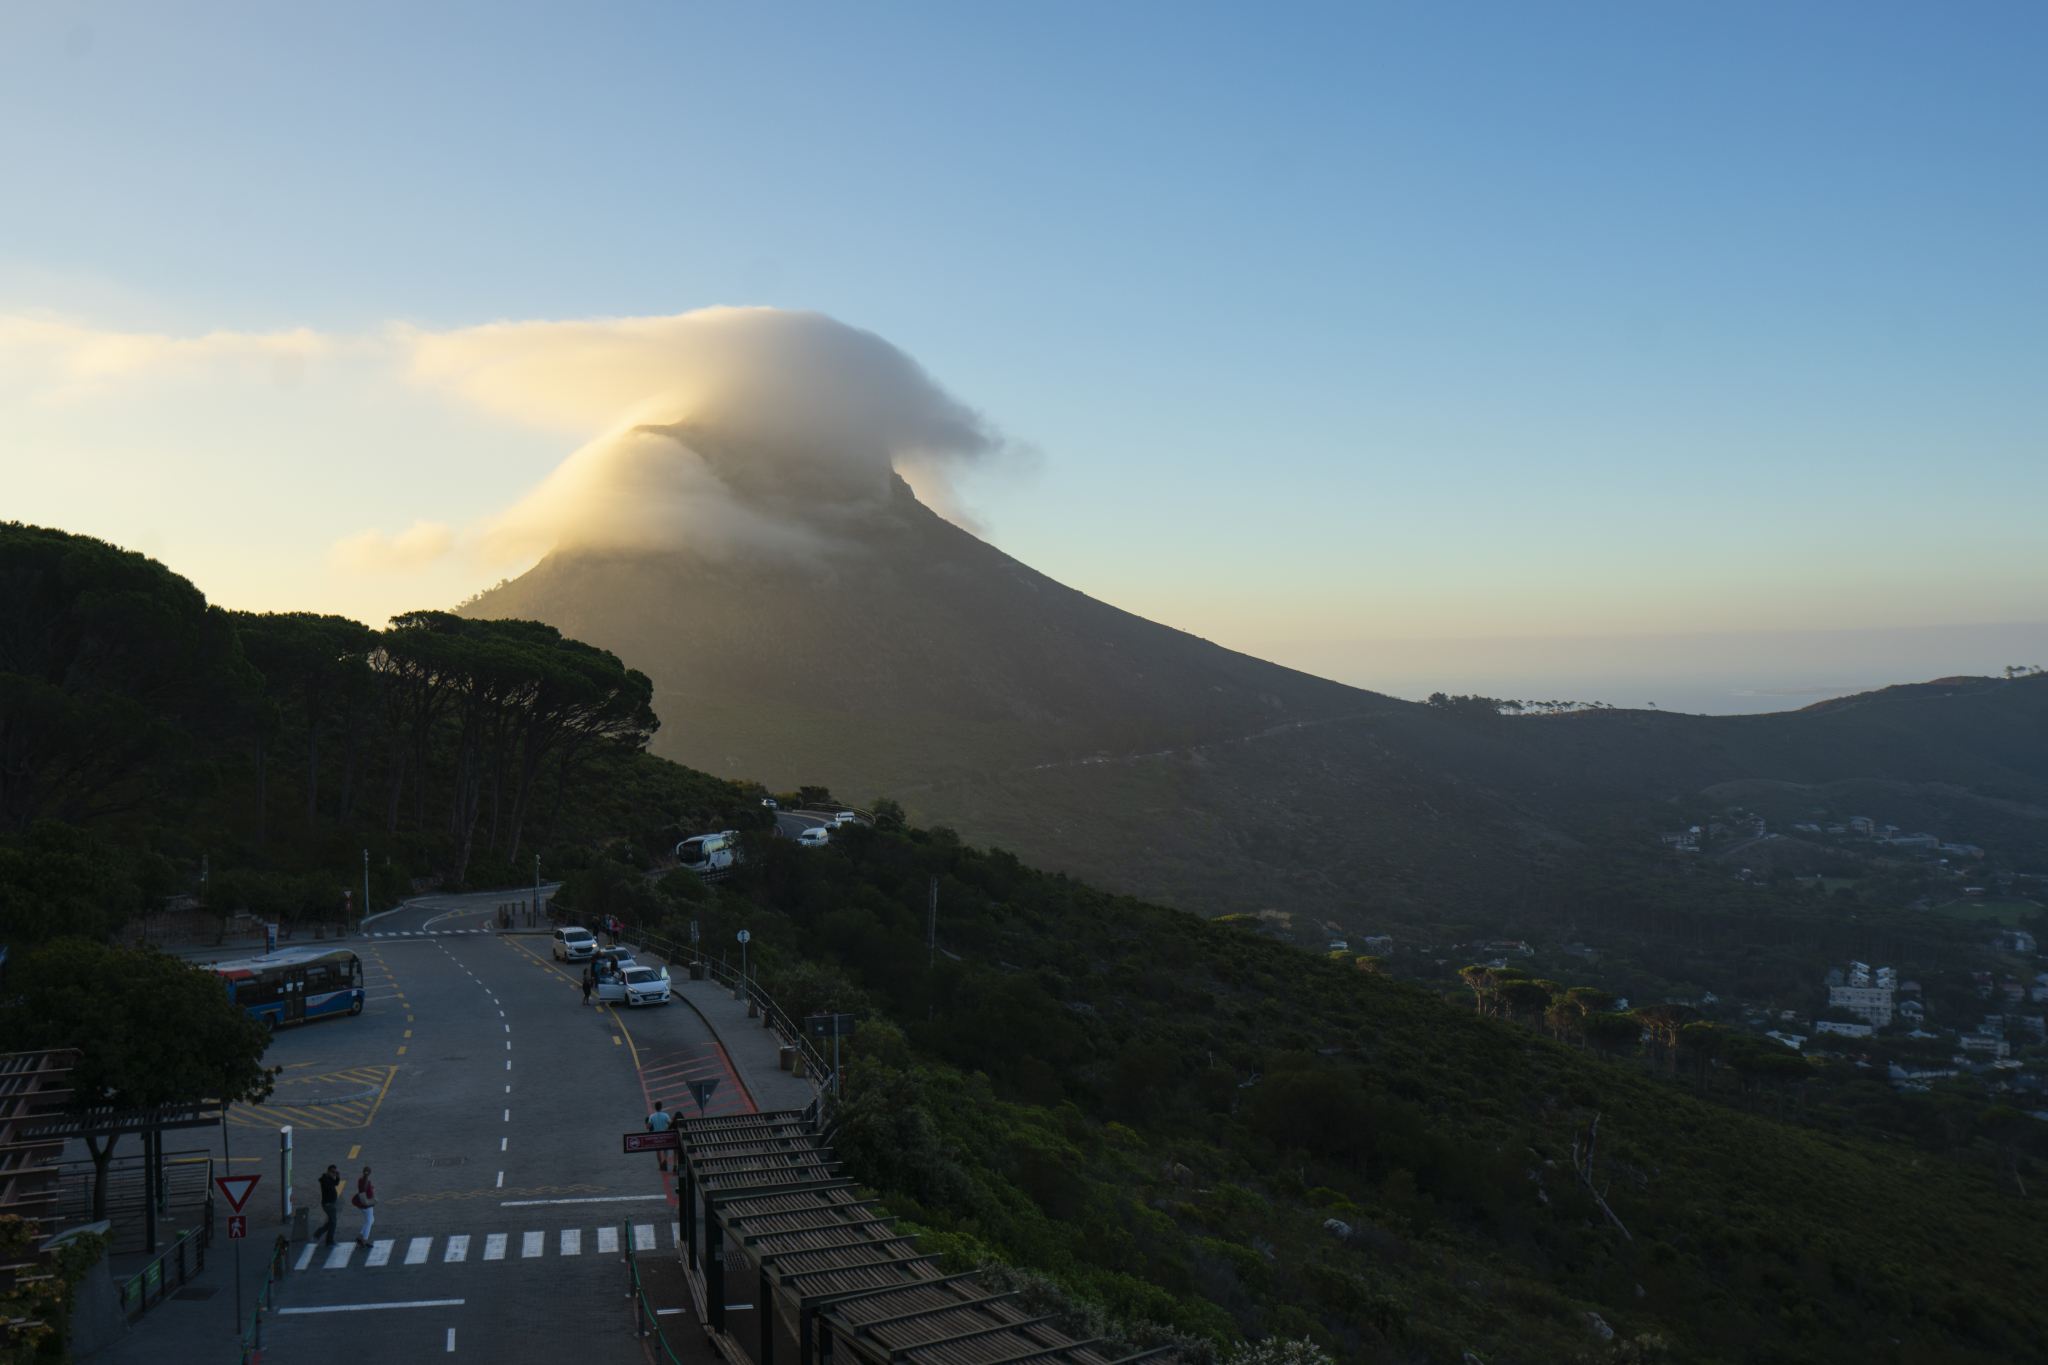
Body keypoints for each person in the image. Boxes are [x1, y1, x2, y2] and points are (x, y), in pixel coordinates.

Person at [351, 1166, 376, 1247]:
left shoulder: (360, 1180)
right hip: (367, 1204)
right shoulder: (367, 1182)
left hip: (360, 1202)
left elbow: (362, 1190)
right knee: (369, 1222)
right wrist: (372, 1190)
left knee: (371, 1219)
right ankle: (364, 1241)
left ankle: (360, 1236)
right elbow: (368, 1193)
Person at [317, 1165, 341, 1246]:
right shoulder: (325, 1180)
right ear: (328, 1171)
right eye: (333, 1172)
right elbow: (330, 1187)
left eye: (335, 1173)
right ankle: (329, 1241)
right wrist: (331, 1178)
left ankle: (317, 1234)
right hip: (328, 1204)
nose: (333, 1174)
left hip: (331, 1203)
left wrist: (337, 1178)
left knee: (331, 1222)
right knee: (333, 1223)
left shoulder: (329, 1179)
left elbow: (335, 1184)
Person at [646, 1099, 673, 1173]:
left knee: (658, 1151)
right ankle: (665, 1161)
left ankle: (660, 1164)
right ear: (661, 1107)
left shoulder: (652, 1116)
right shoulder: (665, 1115)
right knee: (665, 1150)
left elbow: (648, 1126)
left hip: (656, 1135)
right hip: (664, 1134)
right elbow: (670, 1124)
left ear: (655, 1108)